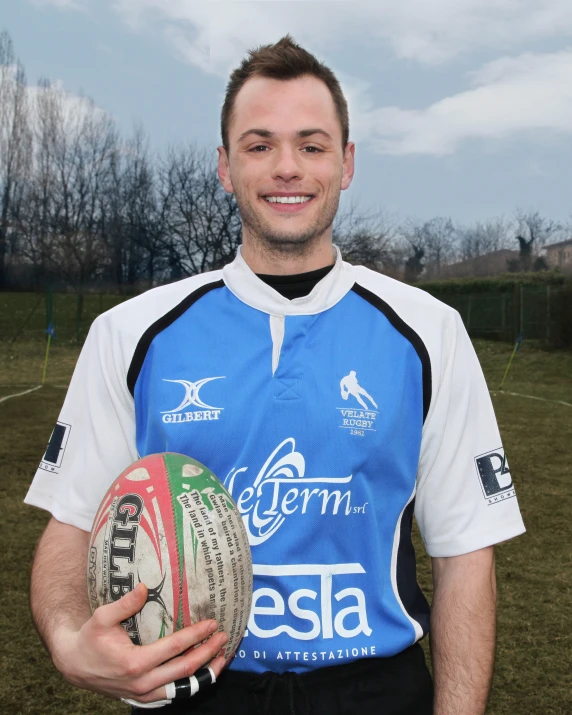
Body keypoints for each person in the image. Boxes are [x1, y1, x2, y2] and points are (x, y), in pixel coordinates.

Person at [26, 35, 526, 715]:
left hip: (375, 690)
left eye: (312, 145)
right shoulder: (132, 333)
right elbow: (73, 522)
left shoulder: (427, 331)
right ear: (225, 167)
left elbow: (466, 553)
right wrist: (65, 638)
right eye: (259, 145)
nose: (286, 167)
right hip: (197, 687)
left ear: (346, 164)